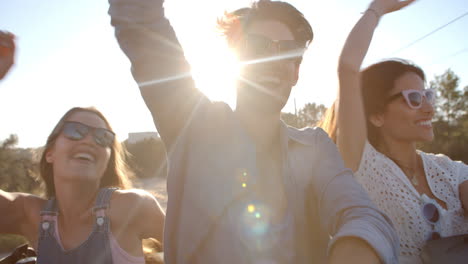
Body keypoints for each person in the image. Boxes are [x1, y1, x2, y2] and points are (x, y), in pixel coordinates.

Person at [108, 0, 399, 263]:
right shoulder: (193, 124)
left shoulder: (314, 147)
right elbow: (141, 24)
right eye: (258, 46)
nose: (273, 60)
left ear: (296, 72)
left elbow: (360, 212)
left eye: (288, 52)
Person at [320, 0, 468, 262]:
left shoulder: (450, 172)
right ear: (377, 115)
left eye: (428, 96)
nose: (429, 109)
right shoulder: (361, 166)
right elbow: (348, 68)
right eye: (413, 98)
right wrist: (377, 10)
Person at [0, 106, 165, 264]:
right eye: (74, 130)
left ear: (107, 161)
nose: (89, 141)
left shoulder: (132, 207)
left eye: (103, 137)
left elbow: (189, 250)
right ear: (50, 153)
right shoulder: (30, 214)